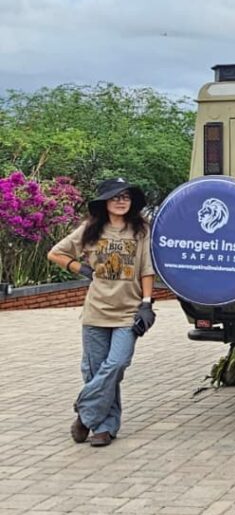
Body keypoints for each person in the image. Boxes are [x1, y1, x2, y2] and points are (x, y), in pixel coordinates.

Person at [47, 177, 156, 447]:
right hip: (96, 311)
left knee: (116, 365)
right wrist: (80, 268)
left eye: (125, 197)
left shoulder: (141, 230)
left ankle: (85, 413)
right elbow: (56, 253)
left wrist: (147, 303)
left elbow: (146, 268)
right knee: (96, 371)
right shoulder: (90, 229)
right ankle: (104, 428)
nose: (121, 201)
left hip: (128, 312)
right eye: (115, 197)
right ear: (104, 202)